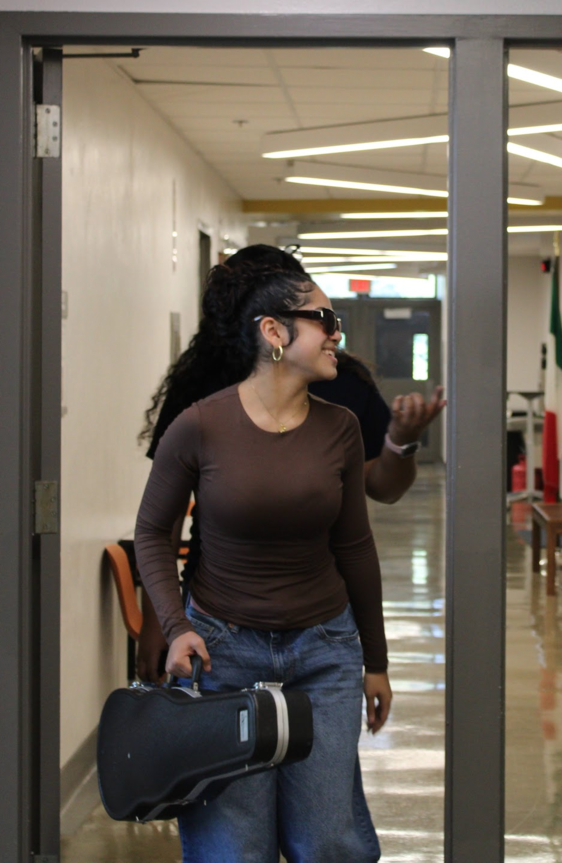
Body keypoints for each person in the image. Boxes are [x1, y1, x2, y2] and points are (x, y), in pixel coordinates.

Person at [134, 263, 387, 861]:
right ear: (274, 332)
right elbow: (151, 531)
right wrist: (176, 627)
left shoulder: (341, 428)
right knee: (234, 846)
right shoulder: (199, 425)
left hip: (325, 652)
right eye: (324, 321)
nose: (335, 335)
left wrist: (374, 660)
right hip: (222, 654)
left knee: (325, 840)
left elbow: (354, 544)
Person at [134, 244, 444, 681]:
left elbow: (379, 494)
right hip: (221, 614)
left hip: (320, 621)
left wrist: (402, 442)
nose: (333, 333)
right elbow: (159, 524)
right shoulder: (202, 394)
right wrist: (159, 622)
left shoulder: (339, 381)